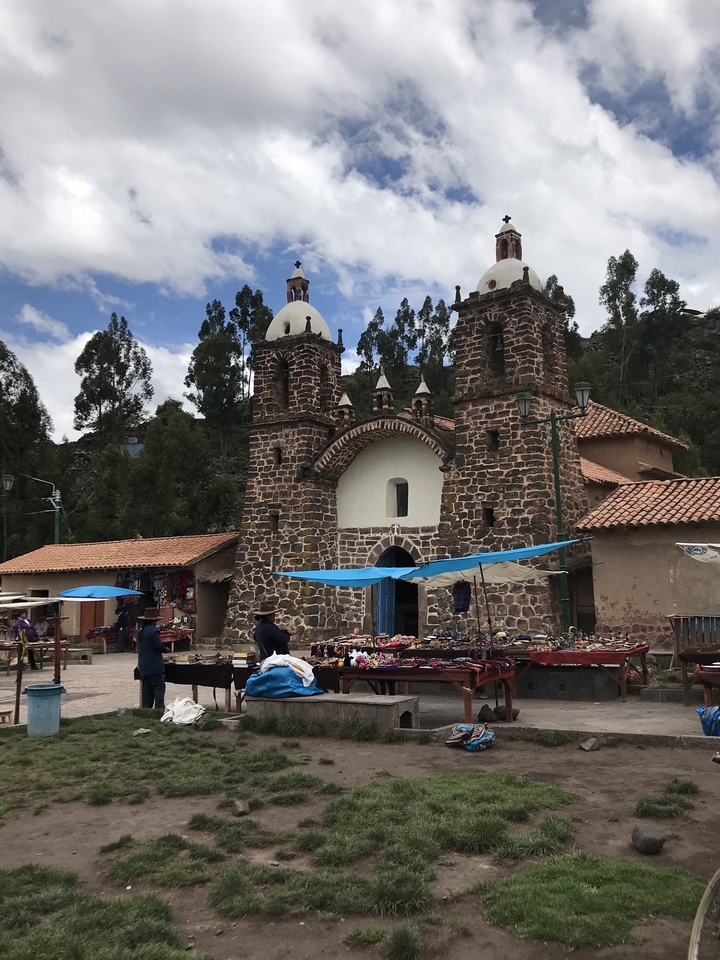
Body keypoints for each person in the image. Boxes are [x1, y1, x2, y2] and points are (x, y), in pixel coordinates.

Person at [136, 607, 167, 709]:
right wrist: (166, 649)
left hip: (143, 666)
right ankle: (159, 710)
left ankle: (146, 711)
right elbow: (157, 645)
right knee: (158, 688)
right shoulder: (153, 630)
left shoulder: (141, 631)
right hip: (154, 666)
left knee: (147, 691)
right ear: (154, 620)